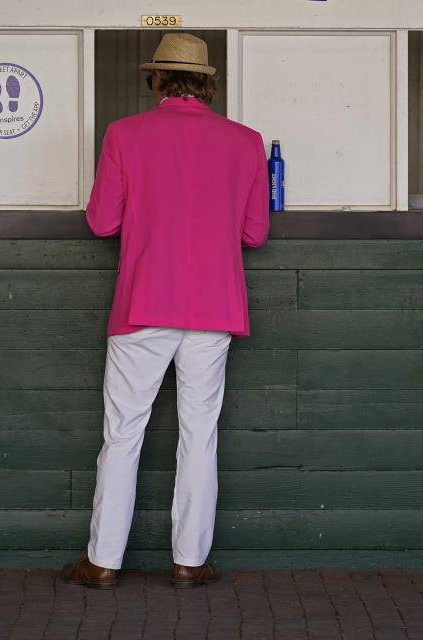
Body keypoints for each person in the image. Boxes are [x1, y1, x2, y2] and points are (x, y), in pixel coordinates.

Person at [60, 33, 269, 589]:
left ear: (157, 80)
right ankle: (190, 562)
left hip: (144, 303)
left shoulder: (125, 135)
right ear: (208, 83)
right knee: (199, 434)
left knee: (123, 435)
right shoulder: (246, 142)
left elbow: (102, 223)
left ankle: (103, 561)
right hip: (214, 305)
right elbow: (255, 232)